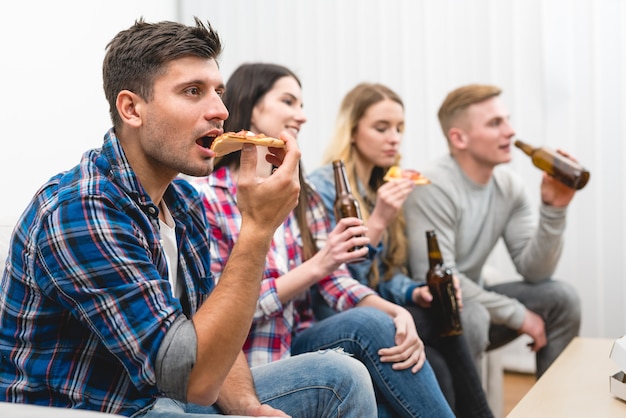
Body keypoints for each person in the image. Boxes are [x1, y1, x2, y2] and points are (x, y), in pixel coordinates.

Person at [0, 18, 378, 418]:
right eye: (193, 92)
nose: (220, 111)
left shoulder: (183, 203)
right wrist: (258, 230)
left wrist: (250, 409)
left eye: (219, 92)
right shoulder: (81, 209)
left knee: (340, 375)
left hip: (162, 396)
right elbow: (192, 377)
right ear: (131, 109)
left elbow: (206, 330)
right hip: (90, 408)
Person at [189, 63, 455, 418]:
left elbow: (334, 280)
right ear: (252, 106)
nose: (302, 116)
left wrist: (395, 310)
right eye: (289, 102)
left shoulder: (305, 196)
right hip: (244, 365)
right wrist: (319, 264)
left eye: (301, 105)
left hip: (297, 344)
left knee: (386, 325)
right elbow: (225, 311)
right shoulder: (205, 197)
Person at [308, 82, 493, 418]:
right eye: (381, 128)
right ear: (352, 131)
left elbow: (386, 274)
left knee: (435, 357)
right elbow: (339, 281)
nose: (394, 138)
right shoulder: (324, 188)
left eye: (399, 128)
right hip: (339, 316)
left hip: (379, 307)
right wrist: (377, 220)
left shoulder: (385, 183)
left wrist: (414, 291)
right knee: (441, 324)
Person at [403, 83, 582, 379]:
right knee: (472, 316)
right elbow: (440, 281)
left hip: (470, 300)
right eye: (495, 123)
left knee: (562, 298)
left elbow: (535, 272)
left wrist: (554, 209)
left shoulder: (508, 186)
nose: (510, 131)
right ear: (459, 138)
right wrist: (519, 315)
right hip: (426, 309)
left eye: (507, 120)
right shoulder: (433, 185)